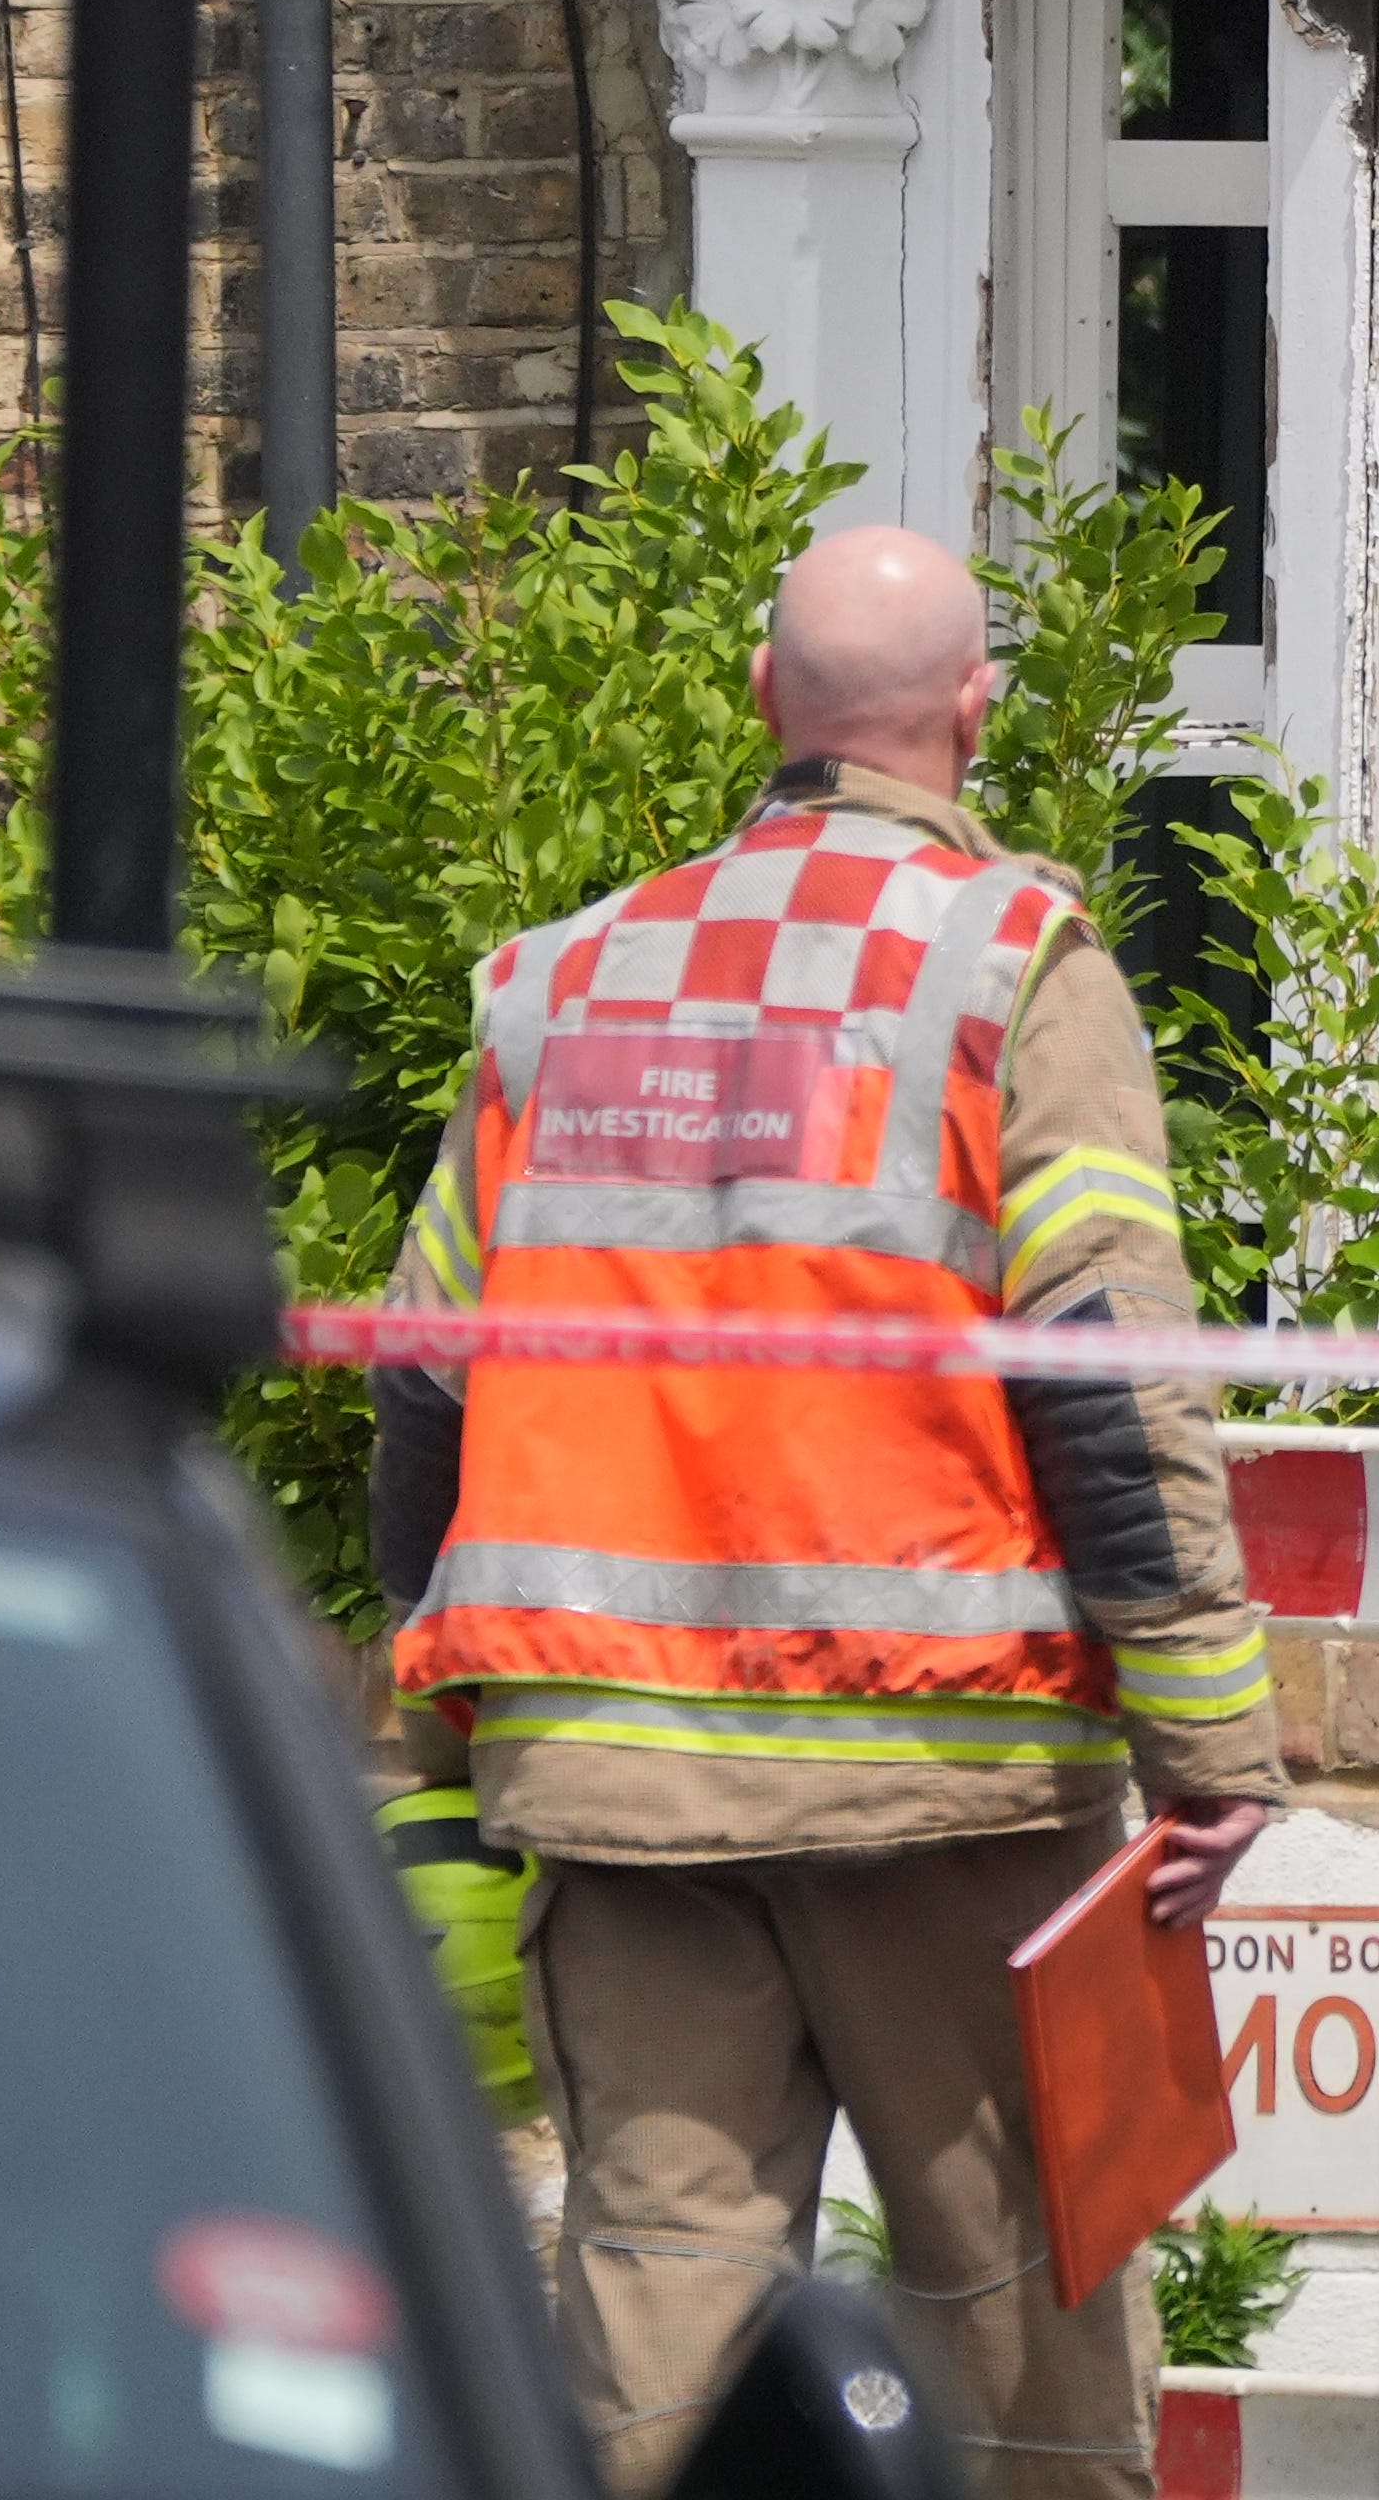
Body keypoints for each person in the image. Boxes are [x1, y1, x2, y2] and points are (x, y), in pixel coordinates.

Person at [372, 524, 1283, 2500]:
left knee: (658, 2338)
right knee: (1025, 2324)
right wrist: (1209, 1738)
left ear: (764, 698)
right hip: (945, 1774)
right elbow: (1107, 1380)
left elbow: (423, 1382)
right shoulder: (1011, 965)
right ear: (976, 710)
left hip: (622, 1775)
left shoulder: (555, 984)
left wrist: (447, 1709)